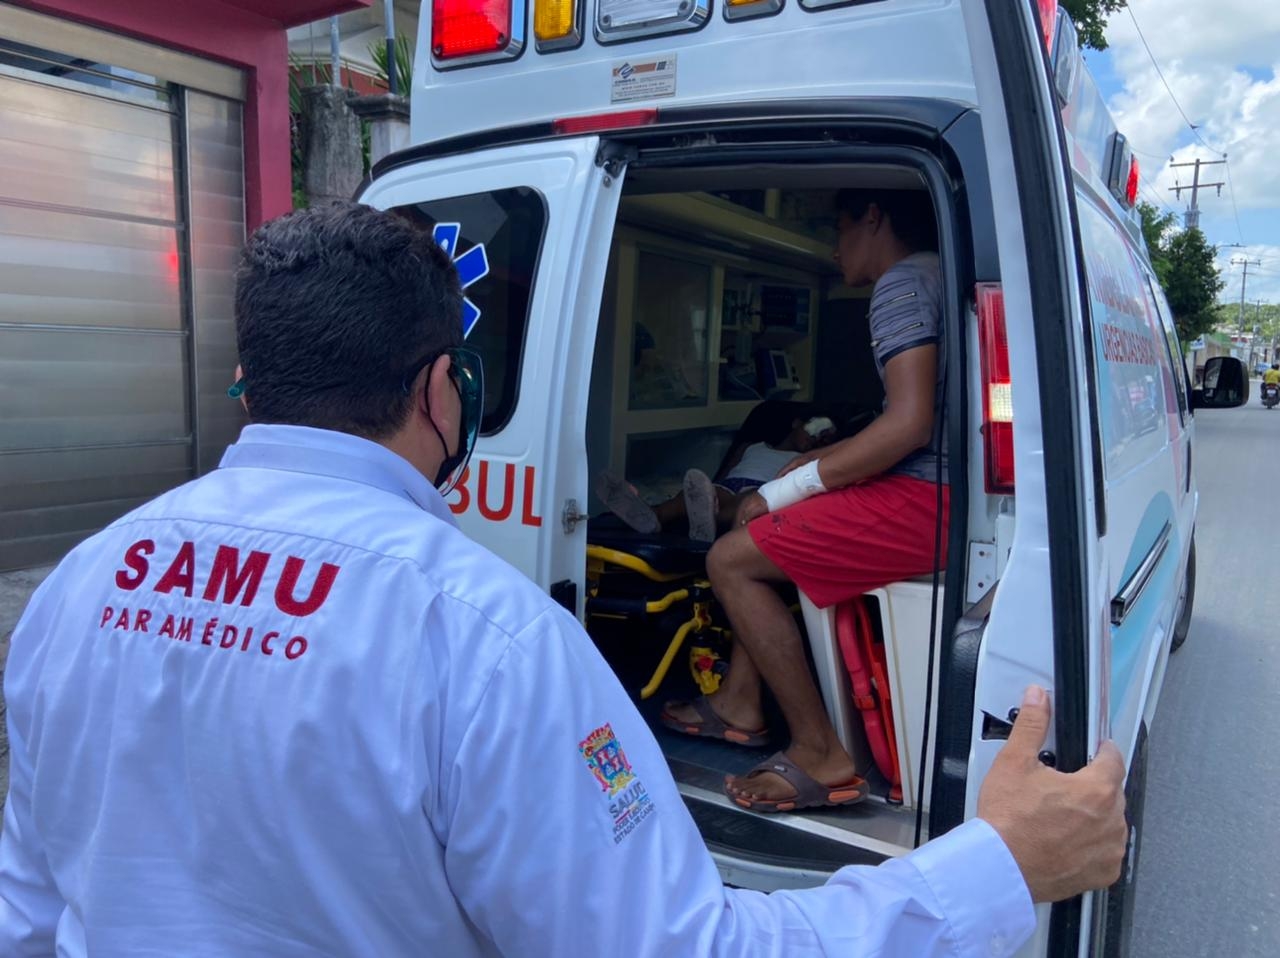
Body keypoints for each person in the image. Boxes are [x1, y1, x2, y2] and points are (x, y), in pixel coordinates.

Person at [0, 201, 1127, 957]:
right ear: (447, 387)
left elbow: (31, 911)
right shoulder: (483, 637)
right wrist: (996, 866)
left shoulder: (79, 584)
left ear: (254, 379)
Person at [662, 189, 957, 811]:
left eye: (838, 225)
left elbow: (910, 425)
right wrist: (815, 462)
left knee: (729, 559)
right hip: (944, 491)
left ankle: (821, 754)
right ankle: (741, 702)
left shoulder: (900, 285)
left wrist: (786, 487)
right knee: (774, 539)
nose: (833, 245)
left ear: (873, 215)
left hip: (929, 498)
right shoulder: (938, 272)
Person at [595, 416, 839, 541]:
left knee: (742, 502)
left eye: (825, 438)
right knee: (693, 495)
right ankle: (653, 516)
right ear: (797, 423)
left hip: (761, 492)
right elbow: (725, 473)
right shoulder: (752, 446)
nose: (817, 438)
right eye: (816, 428)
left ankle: (703, 522)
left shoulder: (808, 460)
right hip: (727, 485)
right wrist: (707, 488)